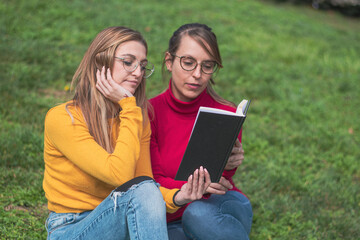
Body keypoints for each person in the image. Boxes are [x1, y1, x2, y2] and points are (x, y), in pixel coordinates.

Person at [42, 26, 212, 240]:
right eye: (128, 62)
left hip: (118, 222)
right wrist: (128, 106)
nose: (138, 72)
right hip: (71, 228)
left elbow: (144, 185)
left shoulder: (134, 120)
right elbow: (120, 176)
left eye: (142, 65)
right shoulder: (64, 118)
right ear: (100, 62)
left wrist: (178, 196)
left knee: (146, 189)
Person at [149, 23, 253, 240]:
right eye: (188, 63)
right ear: (169, 61)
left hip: (217, 208)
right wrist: (193, 187)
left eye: (207, 66)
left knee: (197, 214)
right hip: (171, 216)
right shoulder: (149, 113)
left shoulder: (225, 113)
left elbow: (221, 182)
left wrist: (229, 163)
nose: (197, 74)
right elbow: (153, 181)